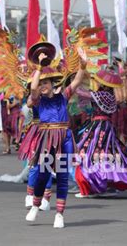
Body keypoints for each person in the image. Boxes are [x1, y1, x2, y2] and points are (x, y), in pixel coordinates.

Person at [24, 49, 86, 229]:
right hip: (46, 138)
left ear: (53, 83)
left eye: (46, 82)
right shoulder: (37, 99)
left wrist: (83, 64)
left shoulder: (63, 96)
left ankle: (59, 214)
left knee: (63, 175)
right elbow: (33, 88)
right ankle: (35, 206)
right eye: (41, 82)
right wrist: (39, 68)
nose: (42, 85)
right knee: (42, 175)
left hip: (65, 138)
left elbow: (77, 81)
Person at [74, 69, 127, 198]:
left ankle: (96, 185)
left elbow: (81, 92)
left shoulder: (104, 95)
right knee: (104, 155)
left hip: (99, 127)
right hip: (104, 127)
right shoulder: (108, 95)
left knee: (95, 154)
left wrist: (74, 82)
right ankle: (102, 185)